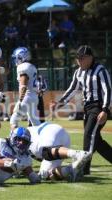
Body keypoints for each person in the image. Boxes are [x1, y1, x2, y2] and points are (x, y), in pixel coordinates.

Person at [51, 45, 112, 175]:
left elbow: (108, 90)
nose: (79, 61)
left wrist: (105, 110)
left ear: (90, 58)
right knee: (97, 141)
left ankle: (83, 169)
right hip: (87, 108)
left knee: (89, 135)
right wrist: (60, 103)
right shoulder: (78, 72)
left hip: (98, 107)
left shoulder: (100, 70)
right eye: (78, 58)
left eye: (82, 58)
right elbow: (72, 89)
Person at [26, 123, 91, 181]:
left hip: (50, 131)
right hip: (60, 136)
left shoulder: (29, 143)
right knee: (44, 174)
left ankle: (77, 154)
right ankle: (71, 169)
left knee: (44, 151)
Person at [10, 47, 40, 129]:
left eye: (16, 57)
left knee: (13, 120)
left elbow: (23, 85)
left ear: (21, 57)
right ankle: (41, 139)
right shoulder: (32, 66)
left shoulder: (22, 67)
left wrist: (20, 100)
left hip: (27, 97)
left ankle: (15, 139)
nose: (15, 60)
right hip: (34, 97)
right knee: (35, 122)